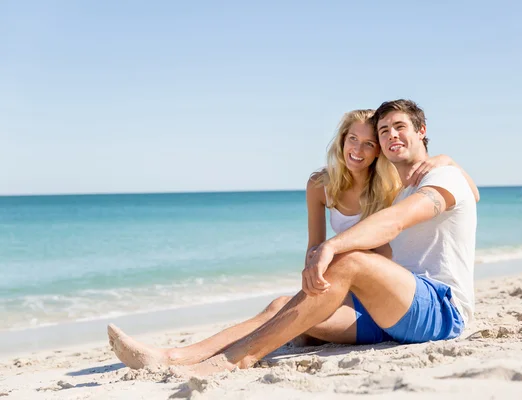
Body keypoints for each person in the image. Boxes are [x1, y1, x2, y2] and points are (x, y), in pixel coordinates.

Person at [107, 104, 479, 372]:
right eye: (384, 132)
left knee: (350, 261)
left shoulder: (440, 178)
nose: (391, 136)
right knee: (282, 307)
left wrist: (332, 246)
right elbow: (473, 195)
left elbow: (396, 222)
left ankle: (236, 359)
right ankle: (174, 357)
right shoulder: (399, 186)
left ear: (421, 130)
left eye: (400, 127)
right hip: (392, 312)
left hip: (443, 311)